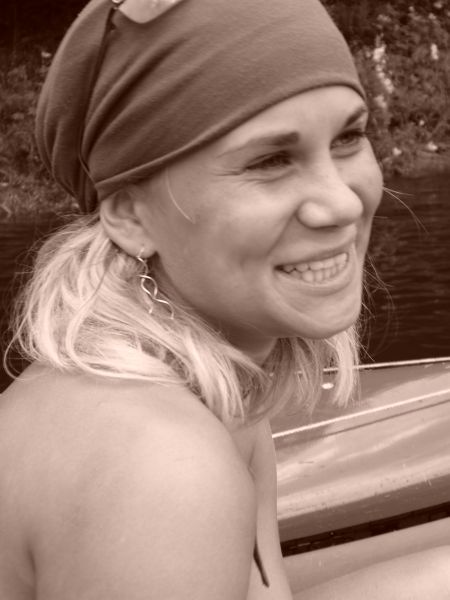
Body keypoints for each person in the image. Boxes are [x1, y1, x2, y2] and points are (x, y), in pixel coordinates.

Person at [0, 0, 449, 598]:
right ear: (131, 217)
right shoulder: (161, 466)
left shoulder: (214, 383)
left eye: (348, 137)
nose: (343, 202)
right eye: (270, 160)